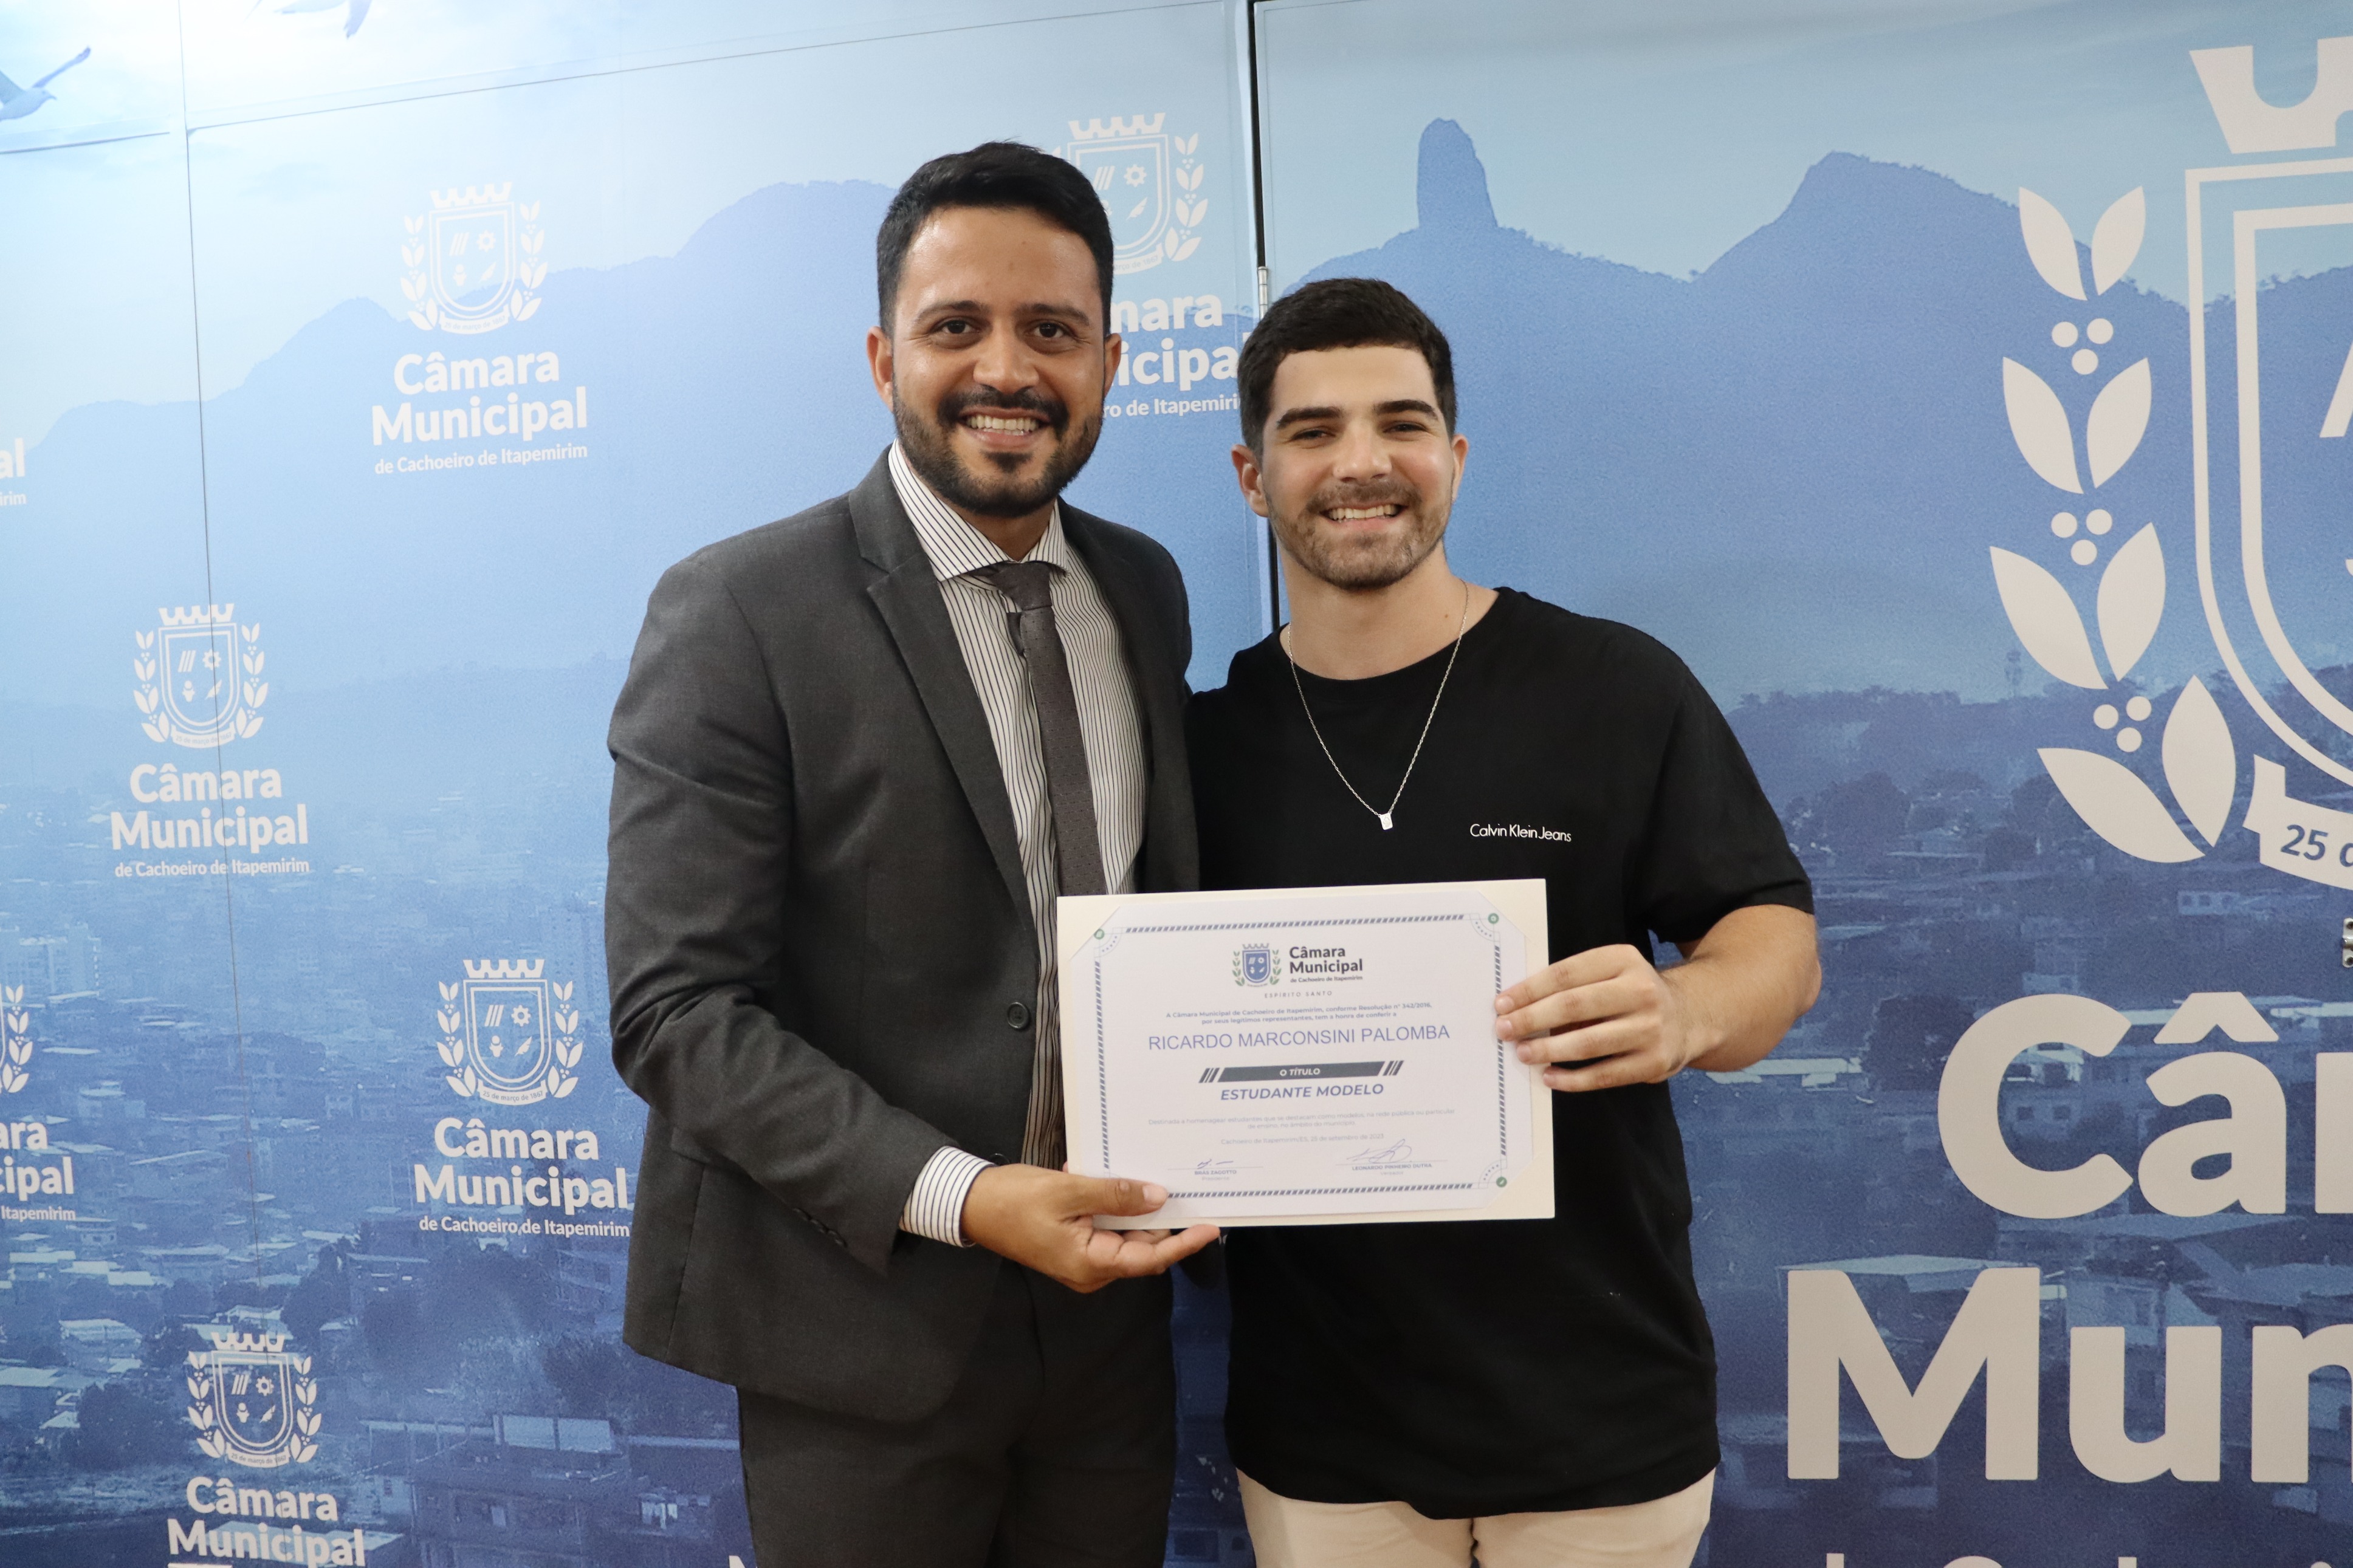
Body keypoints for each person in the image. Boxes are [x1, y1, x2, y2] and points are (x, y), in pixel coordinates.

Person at [604, 142, 1217, 1568]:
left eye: (1051, 330)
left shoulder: (1142, 586)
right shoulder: (738, 611)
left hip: (1110, 1337)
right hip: (859, 1335)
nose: (1007, 369)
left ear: (1110, 362)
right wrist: (968, 1197)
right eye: (957, 327)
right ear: (885, 357)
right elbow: (675, 1013)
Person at [1188, 277, 1821, 1568]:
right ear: (1253, 477)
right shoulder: (1194, 748)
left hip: (1601, 1412)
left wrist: (1684, 1008)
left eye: (1401, 423)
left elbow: (1778, 943)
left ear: (1456, 458)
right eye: (1313, 431)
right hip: (1322, 1435)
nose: (1362, 463)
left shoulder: (1611, 686)